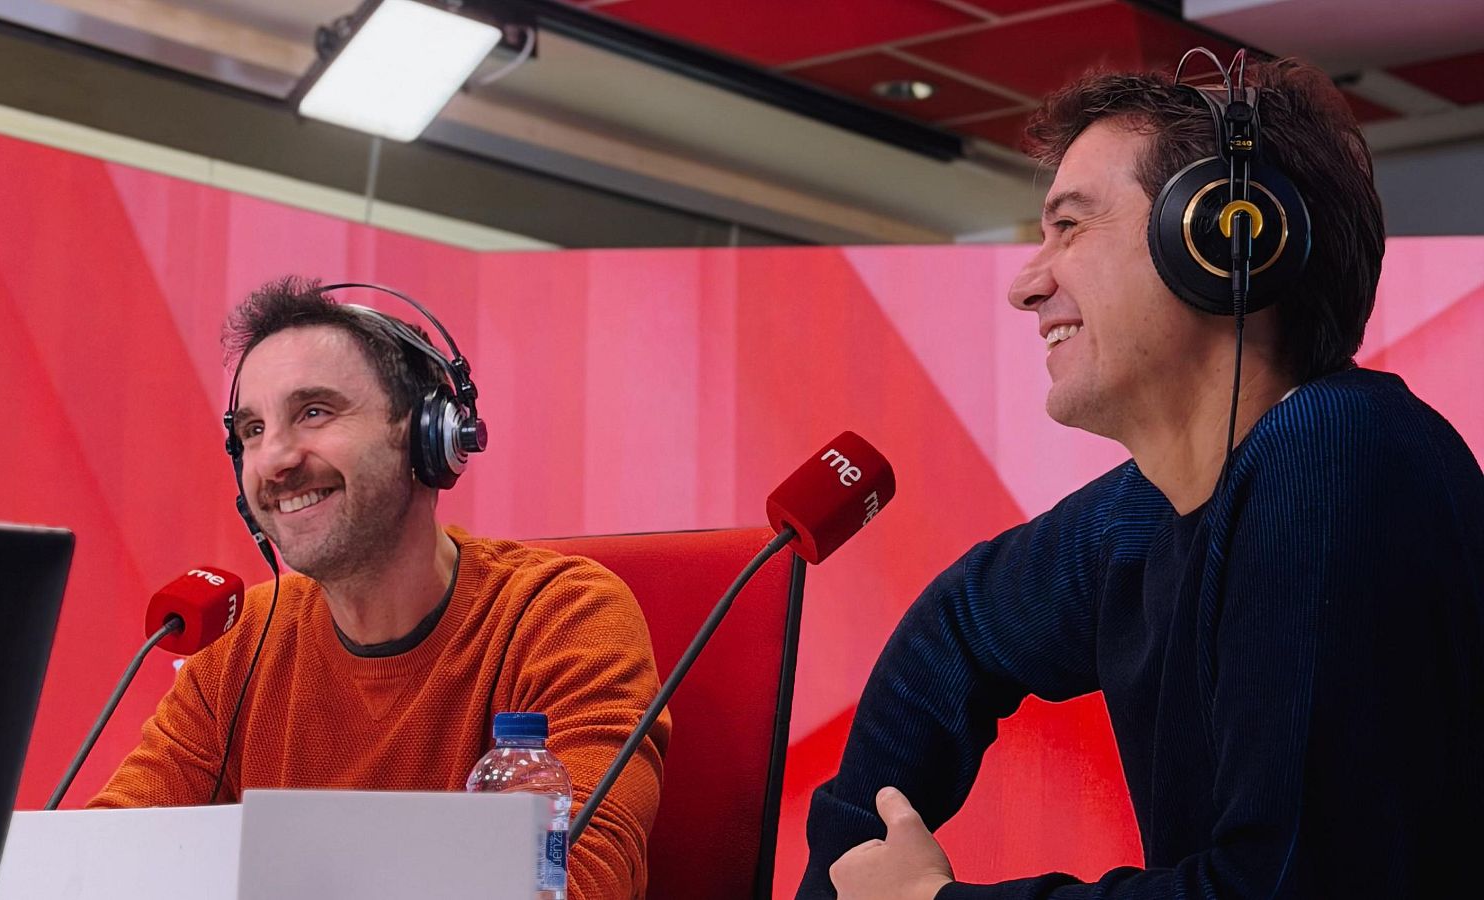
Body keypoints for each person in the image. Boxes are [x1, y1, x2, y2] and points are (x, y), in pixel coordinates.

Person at [798, 55, 1484, 899]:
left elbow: (1280, 888)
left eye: (1072, 226)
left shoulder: (1338, 450)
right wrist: (843, 876)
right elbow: (960, 628)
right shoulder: (1153, 509)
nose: (1026, 282)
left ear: (1225, 239)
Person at [91, 277, 670, 900]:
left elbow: (576, 885)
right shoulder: (238, 643)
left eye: (313, 412)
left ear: (430, 437)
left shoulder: (564, 617)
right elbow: (106, 863)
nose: (275, 459)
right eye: (252, 430)